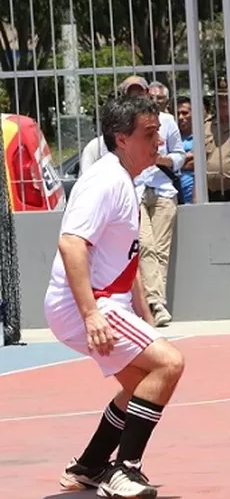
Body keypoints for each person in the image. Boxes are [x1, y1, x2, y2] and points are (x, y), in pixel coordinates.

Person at [44, 95, 186, 498]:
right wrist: (91, 316)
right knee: (170, 365)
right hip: (85, 303)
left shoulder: (126, 178)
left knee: (140, 383)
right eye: (149, 134)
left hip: (104, 301)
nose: (158, 142)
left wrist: (143, 311)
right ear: (122, 139)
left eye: (158, 132)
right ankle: (124, 469)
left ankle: (88, 467)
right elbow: (71, 245)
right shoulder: (105, 180)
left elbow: (126, 255)